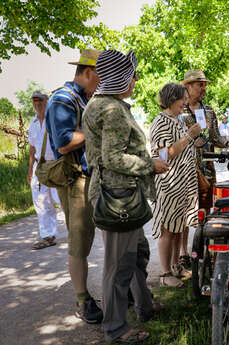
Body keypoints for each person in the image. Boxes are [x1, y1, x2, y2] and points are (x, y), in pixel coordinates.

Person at [83, 50, 168, 343]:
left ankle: (144, 306)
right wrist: (150, 164)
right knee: (118, 266)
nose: (135, 79)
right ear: (121, 77)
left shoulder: (103, 103)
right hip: (118, 196)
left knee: (138, 254)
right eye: (132, 74)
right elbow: (113, 158)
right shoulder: (113, 110)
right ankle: (116, 328)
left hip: (120, 194)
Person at [45, 49, 103, 324]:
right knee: (79, 242)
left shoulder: (84, 98)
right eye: (99, 76)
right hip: (75, 180)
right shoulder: (63, 99)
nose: (101, 83)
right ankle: (83, 300)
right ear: (88, 72)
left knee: (91, 237)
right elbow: (64, 142)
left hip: (90, 176)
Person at [181, 70, 229, 269]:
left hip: (206, 168)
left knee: (205, 210)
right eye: (200, 84)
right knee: (185, 212)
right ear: (188, 86)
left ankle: (205, 251)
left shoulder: (209, 111)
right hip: (185, 167)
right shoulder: (179, 110)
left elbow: (215, 137)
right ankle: (183, 254)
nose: (204, 88)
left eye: (205, 84)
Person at [150, 82, 202, 288]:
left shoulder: (177, 119)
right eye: (183, 99)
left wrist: (194, 139)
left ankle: (175, 267)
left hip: (182, 184)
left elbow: (183, 145)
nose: (186, 102)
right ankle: (164, 274)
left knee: (178, 228)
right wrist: (189, 136)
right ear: (172, 100)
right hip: (169, 184)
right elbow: (164, 154)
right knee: (167, 230)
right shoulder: (161, 122)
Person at [28, 91, 60, 250]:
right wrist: (29, 170)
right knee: (41, 202)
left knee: (62, 199)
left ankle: (82, 228)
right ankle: (48, 236)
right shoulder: (32, 123)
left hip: (55, 165)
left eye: (40, 101)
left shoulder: (53, 120)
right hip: (39, 167)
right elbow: (32, 149)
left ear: (47, 101)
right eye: (34, 101)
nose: (37, 104)